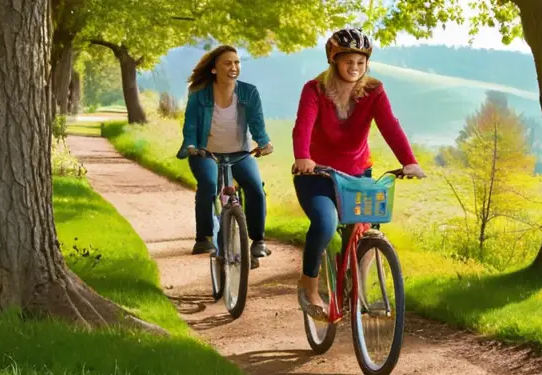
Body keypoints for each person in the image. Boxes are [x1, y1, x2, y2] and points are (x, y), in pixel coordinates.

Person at [291, 28, 426, 320]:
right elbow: (303, 124)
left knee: (365, 225)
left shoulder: (373, 91)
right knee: (326, 224)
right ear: (334, 60)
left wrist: (409, 161)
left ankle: (355, 281)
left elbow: (390, 125)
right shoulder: (314, 89)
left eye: (360, 62)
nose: (355, 68)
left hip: (356, 174)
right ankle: (309, 286)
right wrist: (303, 157)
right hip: (317, 175)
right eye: (349, 61)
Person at [177, 45, 274, 258]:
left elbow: (257, 123)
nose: (234, 67)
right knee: (209, 185)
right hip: (206, 153)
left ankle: (258, 240)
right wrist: (191, 145)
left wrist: (264, 142)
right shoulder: (199, 95)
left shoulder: (249, 92)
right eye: (228, 63)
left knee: (256, 188)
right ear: (214, 69)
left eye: (237, 62)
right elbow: (190, 125)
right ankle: (204, 238)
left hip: (239, 153)